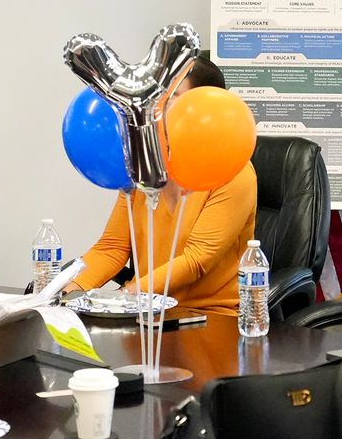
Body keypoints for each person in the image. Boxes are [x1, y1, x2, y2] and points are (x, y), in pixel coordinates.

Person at [68, 57, 256, 317]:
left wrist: (124, 297)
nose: (157, 105)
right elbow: (112, 246)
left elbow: (196, 260)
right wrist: (69, 291)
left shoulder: (234, 171)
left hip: (207, 316)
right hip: (146, 310)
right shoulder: (145, 163)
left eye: (172, 96)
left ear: (204, 107)